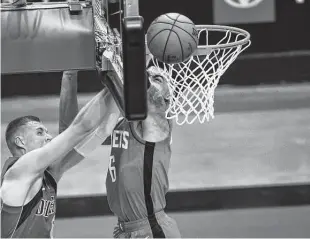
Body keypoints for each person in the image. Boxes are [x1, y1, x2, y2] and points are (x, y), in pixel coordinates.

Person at [60, 67, 181, 238]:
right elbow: (70, 134)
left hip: (152, 229)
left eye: (158, 79)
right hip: (124, 230)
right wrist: (69, 76)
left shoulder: (161, 121)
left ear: (168, 97)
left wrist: (111, 64)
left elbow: (132, 93)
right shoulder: (122, 124)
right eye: (147, 75)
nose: (148, 79)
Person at [1, 71, 120, 238]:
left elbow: (103, 131)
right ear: (20, 142)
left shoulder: (49, 175)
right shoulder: (20, 170)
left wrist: (120, 88)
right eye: (40, 132)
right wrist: (117, 80)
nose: (49, 137)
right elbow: (80, 127)